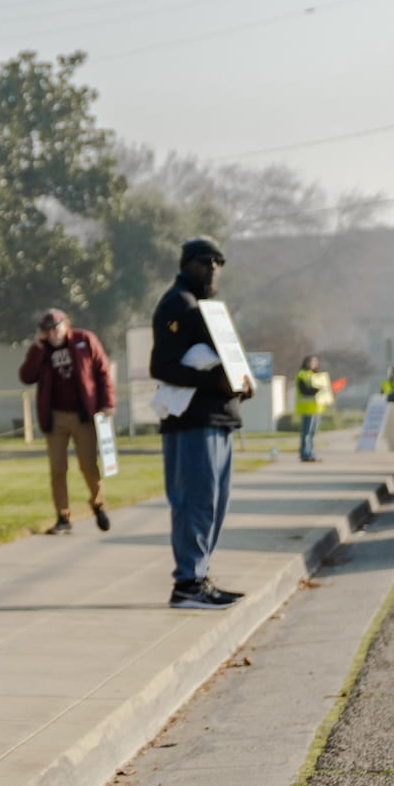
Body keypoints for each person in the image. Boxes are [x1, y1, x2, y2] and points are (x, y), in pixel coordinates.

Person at [151, 237, 255, 610]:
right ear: (185, 263)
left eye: (218, 261)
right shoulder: (177, 303)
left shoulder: (206, 307)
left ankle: (200, 576)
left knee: (213, 503)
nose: (212, 267)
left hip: (218, 419)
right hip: (193, 422)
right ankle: (188, 584)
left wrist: (241, 383)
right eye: (203, 261)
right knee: (195, 502)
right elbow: (161, 366)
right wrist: (217, 382)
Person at [18, 309, 117, 534]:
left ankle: (97, 503)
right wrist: (37, 348)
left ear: (66, 325)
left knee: (88, 466)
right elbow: (26, 376)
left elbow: (102, 372)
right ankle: (63, 517)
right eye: (47, 330)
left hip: (84, 415)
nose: (52, 333)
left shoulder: (84, 340)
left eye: (56, 327)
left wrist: (107, 403)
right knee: (57, 469)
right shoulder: (41, 350)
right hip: (55, 417)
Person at [292, 355, 334, 462]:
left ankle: (310, 453)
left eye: (315, 362)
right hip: (307, 409)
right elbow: (304, 391)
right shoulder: (302, 375)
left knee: (312, 433)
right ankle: (305, 454)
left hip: (316, 409)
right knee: (306, 433)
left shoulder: (317, 376)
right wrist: (316, 390)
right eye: (311, 362)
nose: (313, 364)